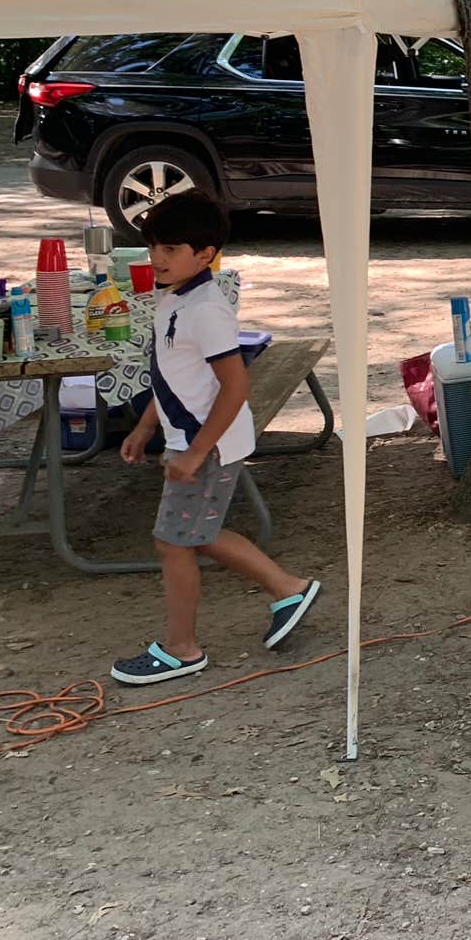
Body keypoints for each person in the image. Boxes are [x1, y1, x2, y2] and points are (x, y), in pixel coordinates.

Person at [109, 192, 321, 685]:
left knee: (173, 542)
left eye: (170, 249)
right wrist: (145, 426)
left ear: (205, 254)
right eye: (153, 247)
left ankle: (182, 649)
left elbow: (235, 384)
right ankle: (288, 587)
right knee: (193, 536)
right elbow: (174, 376)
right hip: (195, 439)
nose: (157, 259)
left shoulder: (205, 307)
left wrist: (197, 451)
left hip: (207, 444)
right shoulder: (176, 296)